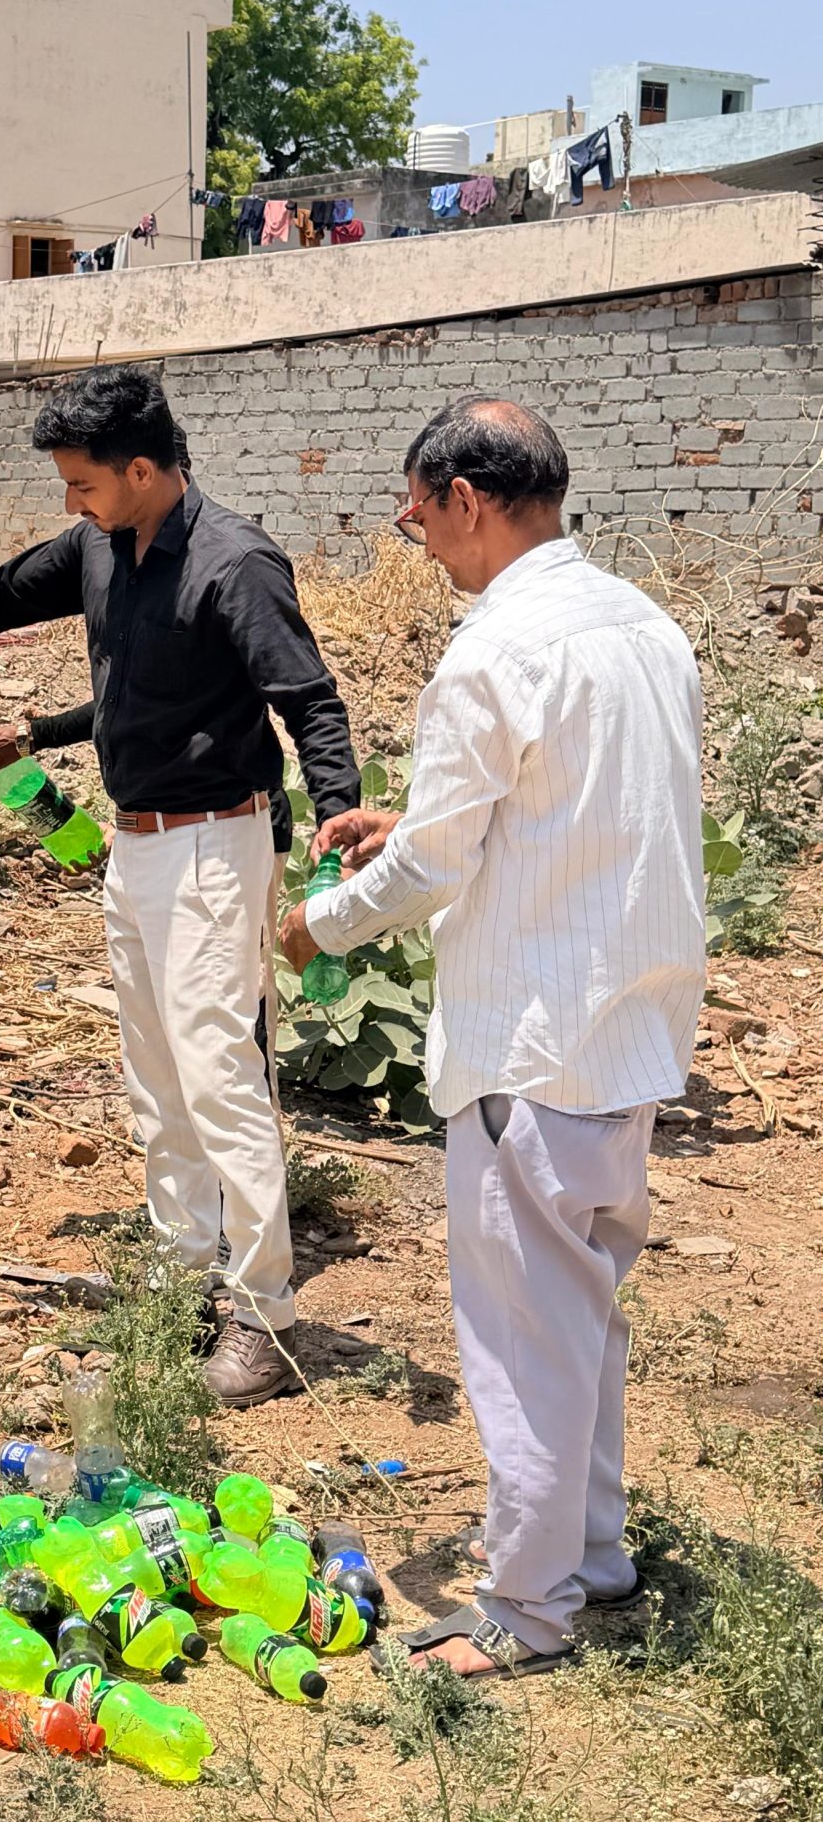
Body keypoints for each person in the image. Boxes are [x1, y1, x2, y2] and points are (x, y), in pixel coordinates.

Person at [0, 364, 360, 1406]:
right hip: (137, 845)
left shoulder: (235, 563)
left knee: (221, 1077)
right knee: (158, 1080)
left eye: (82, 483)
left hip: (216, 845)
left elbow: (309, 701)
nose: (70, 502)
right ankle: (185, 1284)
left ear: (141, 470)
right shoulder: (100, 547)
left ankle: (264, 1318)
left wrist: (341, 814)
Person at [278, 398, 704, 1677]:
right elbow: (573, 801)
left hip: (531, 1036)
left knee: (524, 1339)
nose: (417, 539)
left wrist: (318, 925)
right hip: (625, 1031)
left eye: (417, 517)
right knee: (581, 1319)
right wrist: (412, 817)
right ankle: (590, 1555)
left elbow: (431, 873)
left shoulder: (494, 652)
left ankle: (524, 1609)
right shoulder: (643, 625)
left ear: (466, 499)